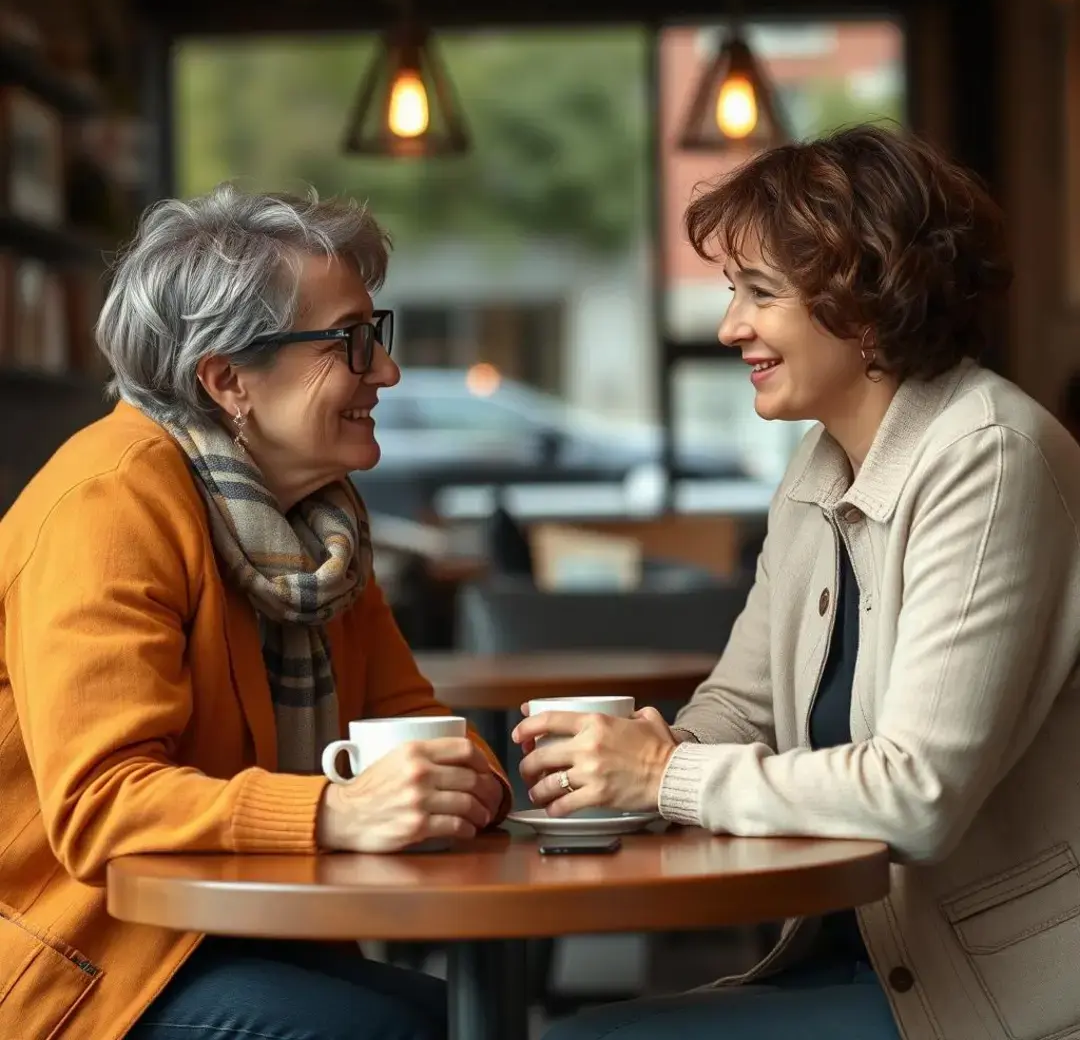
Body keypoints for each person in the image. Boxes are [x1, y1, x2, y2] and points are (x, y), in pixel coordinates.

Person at [518, 125, 1080, 1040]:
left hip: (997, 995)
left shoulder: (990, 456)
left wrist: (665, 775)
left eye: (759, 294)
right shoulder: (822, 467)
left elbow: (918, 797)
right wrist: (627, 759)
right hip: (861, 960)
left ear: (867, 303)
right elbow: (740, 707)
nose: (729, 325)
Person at [0, 185, 511, 1040]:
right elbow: (103, 807)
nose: (384, 371)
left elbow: (409, 721)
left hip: (230, 936)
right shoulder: (109, 503)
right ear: (228, 378)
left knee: (457, 1020)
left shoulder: (319, 526)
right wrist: (336, 812)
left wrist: (477, 784)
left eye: (374, 336)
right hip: (81, 963)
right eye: (350, 343)